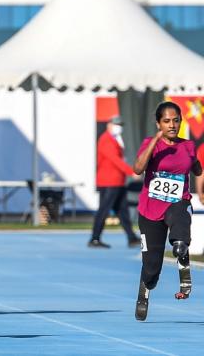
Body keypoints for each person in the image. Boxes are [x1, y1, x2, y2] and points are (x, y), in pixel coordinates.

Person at [132, 101, 202, 321]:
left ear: (181, 121)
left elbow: (198, 168)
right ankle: (144, 292)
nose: (172, 125)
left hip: (176, 203)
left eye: (176, 120)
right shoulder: (150, 144)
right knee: (152, 267)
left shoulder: (188, 146)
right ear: (159, 123)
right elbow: (138, 168)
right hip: (150, 210)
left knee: (181, 216)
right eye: (167, 121)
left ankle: (181, 247)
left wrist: (201, 189)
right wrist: (155, 140)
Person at [89, 115, 141, 248]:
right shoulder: (106, 140)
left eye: (120, 125)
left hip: (116, 182)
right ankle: (95, 239)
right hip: (108, 182)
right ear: (109, 125)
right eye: (117, 124)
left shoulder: (114, 139)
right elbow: (115, 160)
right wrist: (131, 172)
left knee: (122, 211)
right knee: (104, 210)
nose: (119, 127)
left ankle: (131, 237)